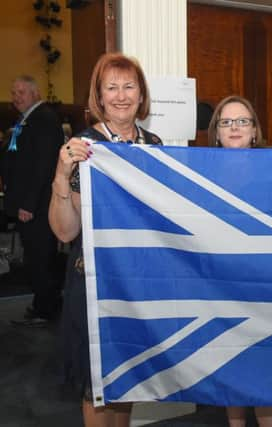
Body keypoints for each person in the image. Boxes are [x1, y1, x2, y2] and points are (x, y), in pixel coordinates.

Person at [49, 52, 161, 427]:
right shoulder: (83, 148)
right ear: (99, 95)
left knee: (126, 377)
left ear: (141, 93)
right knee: (96, 387)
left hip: (139, 282)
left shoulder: (154, 144)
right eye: (111, 87)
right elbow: (65, 232)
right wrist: (62, 176)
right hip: (96, 283)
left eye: (129, 86)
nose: (121, 95)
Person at [208, 95, 272, 427]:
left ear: (255, 131)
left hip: (267, 287)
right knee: (233, 368)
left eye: (243, 121)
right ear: (217, 133)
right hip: (223, 287)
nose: (234, 128)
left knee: (266, 371)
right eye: (226, 122)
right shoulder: (199, 174)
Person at [3, 75, 64, 326]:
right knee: (35, 257)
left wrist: (28, 204)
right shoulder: (27, 119)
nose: (16, 97)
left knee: (40, 257)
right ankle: (43, 304)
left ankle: (46, 310)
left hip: (36, 206)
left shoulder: (44, 119)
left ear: (35, 93)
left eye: (21, 92)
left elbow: (43, 166)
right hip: (29, 203)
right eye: (13, 92)